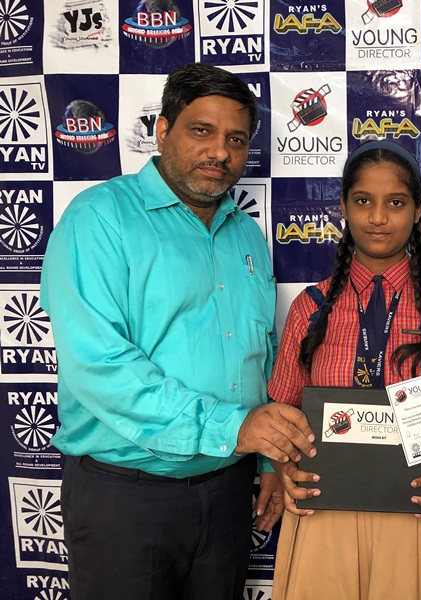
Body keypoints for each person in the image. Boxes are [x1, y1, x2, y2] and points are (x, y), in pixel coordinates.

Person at [40, 63, 316, 600]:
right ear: (163, 130)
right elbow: (98, 364)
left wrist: (268, 458)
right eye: (201, 131)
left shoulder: (245, 233)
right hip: (127, 498)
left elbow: (259, 356)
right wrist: (236, 427)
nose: (220, 152)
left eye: (236, 139)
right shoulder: (100, 218)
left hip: (229, 491)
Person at [266, 139, 421, 600]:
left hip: (418, 503)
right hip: (324, 508)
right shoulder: (310, 307)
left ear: (418, 210)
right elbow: (281, 412)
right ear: (343, 207)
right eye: (362, 201)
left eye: (395, 202)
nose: (377, 217)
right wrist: (284, 468)